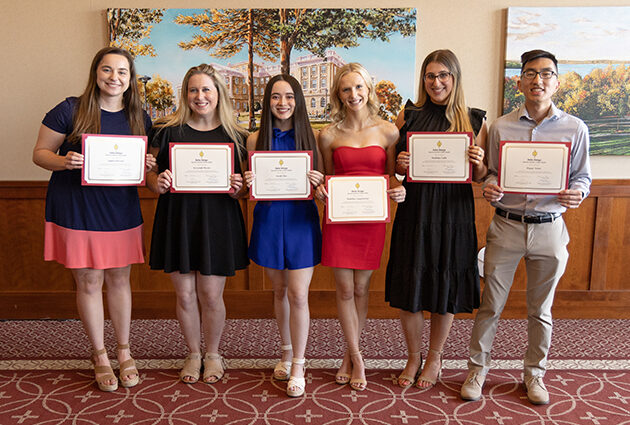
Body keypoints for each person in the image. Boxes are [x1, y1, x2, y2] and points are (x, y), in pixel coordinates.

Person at [460, 49, 591, 405]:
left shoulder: (575, 128)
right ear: (519, 82)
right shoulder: (501, 126)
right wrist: (489, 183)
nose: (538, 80)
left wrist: (578, 192)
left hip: (550, 227)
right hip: (506, 225)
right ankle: (477, 369)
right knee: (491, 305)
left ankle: (535, 374)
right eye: (531, 74)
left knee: (541, 309)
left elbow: (582, 177)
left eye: (546, 74)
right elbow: (489, 173)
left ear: (557, 82)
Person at [32, 46, 154, 392]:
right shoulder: (69, 109)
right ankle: (100, 355)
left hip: (120, 210)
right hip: (77, 208)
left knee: (119, 281)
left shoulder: (139, 117)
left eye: (122, 72)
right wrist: (64, 161)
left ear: (130, 80)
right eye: (107, 70)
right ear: (95, 73)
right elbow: (39, 154)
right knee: (88, 282)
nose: (114, 78)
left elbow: (143, 171)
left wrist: (148, 167)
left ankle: (124, 350)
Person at [385, 49, 488, 389]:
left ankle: (434, 357)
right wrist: (399, 166)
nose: (436, 82)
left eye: (443, 75)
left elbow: (481, 176)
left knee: (444, 283)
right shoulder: (409, 115)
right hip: (415, 210)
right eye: (430, 76)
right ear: (423, 79)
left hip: (453, 213)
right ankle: (413, 356)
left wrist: (478, 162)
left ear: (454, 78)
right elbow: (394, 169)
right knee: (411, 283)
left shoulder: (474, 120)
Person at [147, 64, 249, 385]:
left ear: (219, 93)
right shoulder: (166, 132)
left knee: (210, 294)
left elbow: (245, 189)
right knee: (185, 296)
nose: (200, 96)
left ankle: (214, 353)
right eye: (193, 90)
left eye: (206, 89)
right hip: (177, 218)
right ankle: (193, 353)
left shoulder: (238, 137)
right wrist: (157, 181)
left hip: (217, 220)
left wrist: (239, 188)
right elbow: (149, 176)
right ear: (185, 94)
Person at [316, 63, 406, 391]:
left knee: (361, 289)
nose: (353, 95)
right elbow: (327, 178)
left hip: (371, 220)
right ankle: (357, 356)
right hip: (340, 220)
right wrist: (321, 191)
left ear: (368, 90)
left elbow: (393, 176)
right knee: (344, 289)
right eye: (345, 89)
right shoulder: (328, 134)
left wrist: (399, 188)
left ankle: (346, 355)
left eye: (358, 87)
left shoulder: (387, 131)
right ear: (338, 95)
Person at [244, 74, 324, 397]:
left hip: (300, 222)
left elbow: (323, 191)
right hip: (268, 221)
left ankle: (299, 365)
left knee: (298, 294)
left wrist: (320, 183)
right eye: (275, 97)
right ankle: (286, 350)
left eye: (289, 96)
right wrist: (248, 179)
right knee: (278, 291)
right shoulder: (253, 141)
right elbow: (242, 188)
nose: (282, 103)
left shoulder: (313, 139)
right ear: (267, 102)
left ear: (298, 100)